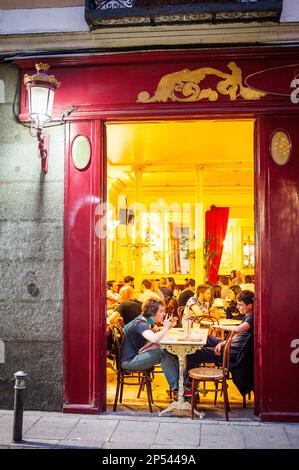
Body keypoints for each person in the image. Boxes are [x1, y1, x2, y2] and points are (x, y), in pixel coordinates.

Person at [120, 298, 179, 393]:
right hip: (129, 361)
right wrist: (165, 328)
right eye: (161, 311)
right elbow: (154, 338)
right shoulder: (141, 324)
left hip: (134, 357)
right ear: (152, 312)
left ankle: (179, 386)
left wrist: (168, 327)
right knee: (164, 352)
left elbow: (156, 332)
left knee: (168, 351)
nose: (163, 314)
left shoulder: (144, 321)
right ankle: (178, 388)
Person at [187, 290, 254, 371]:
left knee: (194, 353)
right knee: (207, 338)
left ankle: (189, 381)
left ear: (250, 306)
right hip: (231, 346)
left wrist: (220, 326)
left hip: (232, 352)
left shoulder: (251, 318)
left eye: (240, 304)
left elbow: (238, 329)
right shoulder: (249, 317)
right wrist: (223, 343)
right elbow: (238, 337)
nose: (237, 307)